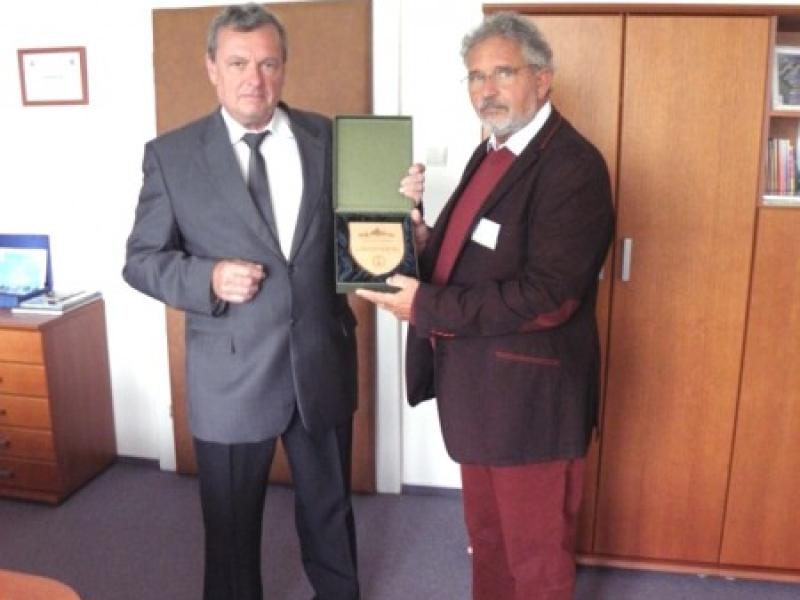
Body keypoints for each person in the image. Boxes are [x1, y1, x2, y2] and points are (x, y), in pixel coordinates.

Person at [123, 4, 422, 600]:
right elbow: (141, 260)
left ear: (284, 67)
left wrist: (402, 215)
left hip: (320, 363)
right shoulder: (171, 156)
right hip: (230, 378)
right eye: (238, 63)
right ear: (212, 67)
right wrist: (208, 278)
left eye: (267, 63)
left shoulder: (332, 140)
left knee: (330, 514)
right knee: (231, 531)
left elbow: (364, 240)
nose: (253, 79)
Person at [357, 12, 614, 600]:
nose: (486, 90)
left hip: (530, 406)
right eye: (476, 76)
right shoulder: (492, 152)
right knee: (489, 541)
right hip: (478, 395)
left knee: (536, 559)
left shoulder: (572, 166)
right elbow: (468, 252)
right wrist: (418, 238)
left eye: (503, 73)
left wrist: (427, 307)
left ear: (542, 78)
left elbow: (549, 297)